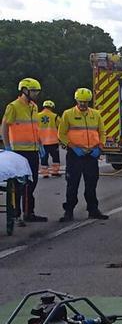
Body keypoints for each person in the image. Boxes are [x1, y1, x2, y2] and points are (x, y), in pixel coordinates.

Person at [58, 88, 108, 222]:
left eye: (85, 102)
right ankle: (68, 211)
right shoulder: (68, 114)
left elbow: (102, 132)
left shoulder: (96, 114)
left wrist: (100, 147)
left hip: (91, 155)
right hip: (75, 155)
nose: (83, 105)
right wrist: (73, 147)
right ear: (76, 101)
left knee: (91, 184)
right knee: (72, 184)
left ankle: (93, 209)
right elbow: (61, 134)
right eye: (81, 102)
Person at [2, 77, 46, 224]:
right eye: (33, 91)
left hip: (33, 150)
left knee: (31, 182)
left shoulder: (34, 106)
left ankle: (29, 212)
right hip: (18, 151)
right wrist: (7, 146)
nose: (36, 94)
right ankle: (16, 213)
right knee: (19, 184)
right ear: (25, 91)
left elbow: (35, 128)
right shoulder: (13, 106)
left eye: (37, 91)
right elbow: (5, 126)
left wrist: (40, 144)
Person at [37, 100, 62, 178]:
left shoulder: (37, 116)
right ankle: (55, 172)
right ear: (52, 107)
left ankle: (45, 173)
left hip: (41, 141)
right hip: (53, 141)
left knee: (44, 158)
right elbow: (61, 126)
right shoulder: (55, 116)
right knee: (55, 157)